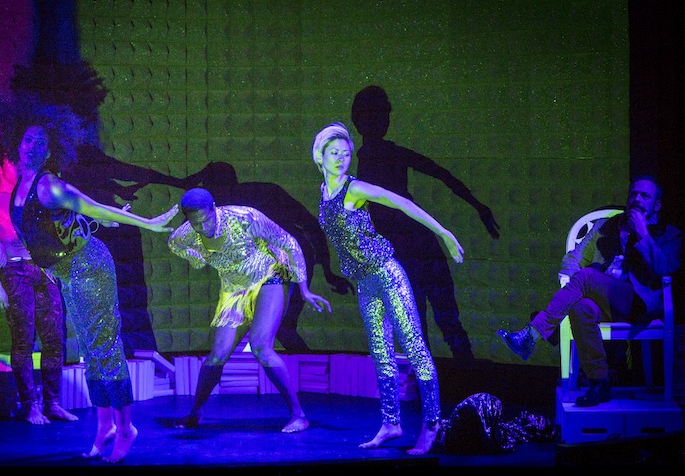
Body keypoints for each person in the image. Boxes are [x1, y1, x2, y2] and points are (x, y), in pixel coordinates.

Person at [4, 104, 179, 463]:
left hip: (90, 269)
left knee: (105, 350)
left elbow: (95, 207)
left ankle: (126, 426)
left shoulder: (49, 186)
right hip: (68, 274)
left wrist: (147, 223)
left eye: (40, 141)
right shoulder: (18, 188)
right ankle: (104, 426)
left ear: (51, 150)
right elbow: (47, 231)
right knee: (89, 353)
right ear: (18, 144)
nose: (31, 145)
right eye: (27, 138)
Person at [311, 122, 465, 456]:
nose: (340, 158)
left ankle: (432, 423)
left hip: (386, 273)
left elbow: (400, 203)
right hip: (365, 282)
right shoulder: (323, 194)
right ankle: (391, 423)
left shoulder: (354, 189)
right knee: (381, 356)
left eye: (346, 153)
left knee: (414, 347)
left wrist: (444, 233)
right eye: (333, 153)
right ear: (320, 156)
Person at [498, 175, 681, 407]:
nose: (637, 199)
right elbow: (575, 256)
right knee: (580, 306)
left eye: (644, 196)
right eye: (633, 194)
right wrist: (570, 284)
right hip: (605, 300)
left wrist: (643, 233)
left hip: (639, 304)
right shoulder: (608, 226)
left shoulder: (669, 234)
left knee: (585, 277)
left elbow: (665, 268)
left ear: (657, 205)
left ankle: (534, 333)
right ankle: (599, 383)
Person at [352, 85, 500, 361]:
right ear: (359, 120)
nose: (379, 121)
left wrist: (477, 205)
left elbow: (439, 173)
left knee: (443, 318)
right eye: (373, 114)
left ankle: (464, 381)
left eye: (382, 114)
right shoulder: (359, 163)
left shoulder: (387, 155)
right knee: (418, 321)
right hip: (400, 250)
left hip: (418, 245)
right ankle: (435, 387)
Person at [167, 187, 332, 433]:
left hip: (269, 276)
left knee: (260, 347)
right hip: (234, 288)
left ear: (214, 208)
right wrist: (197, 258)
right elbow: (176, 246)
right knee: (217, 355)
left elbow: (290, 243)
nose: (203, 227)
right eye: (196, 223)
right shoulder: (185, 235)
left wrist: (304, 289)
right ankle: (195, 413)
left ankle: (299, 415)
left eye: (206, 219)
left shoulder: (245, 217)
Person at [0, 140, 78, 424]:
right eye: (14, 161)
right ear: (0, 166)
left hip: (43, 269)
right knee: (23, 339)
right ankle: (30, 405)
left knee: (54, 338)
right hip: (15, 271)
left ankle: (53, 402)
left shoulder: (31, 194)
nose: (21, 165)